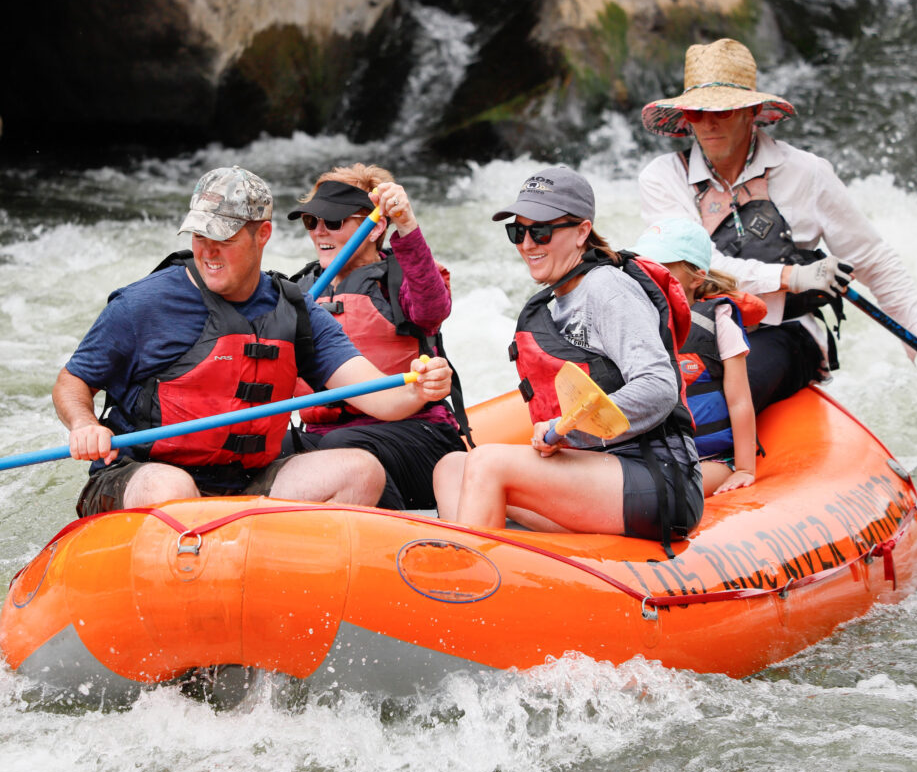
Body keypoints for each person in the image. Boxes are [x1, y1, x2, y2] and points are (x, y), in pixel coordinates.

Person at [53, 166, 453, 516]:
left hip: (246, 479)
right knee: (172, 490)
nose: (208, 250)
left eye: (223, 237)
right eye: (199, 234)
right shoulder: (144, 303)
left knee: (361, 471)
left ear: (262, 234)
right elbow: (72, 381)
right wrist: (84, 424)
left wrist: (422, 386)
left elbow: (381, 397)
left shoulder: (295, 309)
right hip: (143, 472)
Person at [638, 38, 917, 413]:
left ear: (752, 112)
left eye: (724, 111)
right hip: (695, 327)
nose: (709, 123)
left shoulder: (808, 173)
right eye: (697, 113)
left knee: (713, 403)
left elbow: (875, 264)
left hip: (783, 333)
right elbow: (695, 266)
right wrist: (792, 277)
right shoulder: (662, 177)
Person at [433, 167, 703, 552]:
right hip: (595, 473)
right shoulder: (559, 296)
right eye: (517, 231)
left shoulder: (608, 290)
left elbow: (660, 386)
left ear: (581, 232)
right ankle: (493, 571)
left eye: (540, 231)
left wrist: (566, 429)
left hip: (656, 478)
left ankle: (471, 587)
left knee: (488, 463)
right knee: (451, 467)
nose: (527, 243)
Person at [282, 164, 468, 510]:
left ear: (374, 227)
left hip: (418, 438)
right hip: (325, 438)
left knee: (342, 444)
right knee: (272, 448)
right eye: (312, 222)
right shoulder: (300, 291)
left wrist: (407, 225)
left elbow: (432, 309)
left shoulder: (401, 277)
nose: (320, 232)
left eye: (334, 222)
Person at [631, 218, 763, 496]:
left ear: (696, 277)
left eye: (661, 269)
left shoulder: (718, 323)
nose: (648, 278)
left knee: (662, 496)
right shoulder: (634, 322)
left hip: (710, 459)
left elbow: (739, 401)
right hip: (653, 454)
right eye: (643, 268)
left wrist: (744, 469)